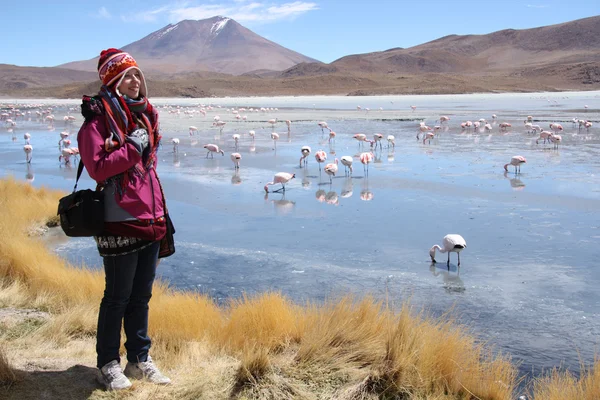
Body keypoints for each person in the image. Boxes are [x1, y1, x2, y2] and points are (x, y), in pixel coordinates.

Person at [78, 48, 172, 391]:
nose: (134, 81)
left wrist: (157, 206)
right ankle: (108, 363)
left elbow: (147, 170)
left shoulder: (146, 118)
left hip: (150, 217)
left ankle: (139, 359)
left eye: (137, 75)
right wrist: (132, 146)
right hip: (118, 219)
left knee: (141, 296)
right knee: (117, 296)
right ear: (112, 81)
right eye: (127, 76)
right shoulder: (96, 122)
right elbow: (98, 168)